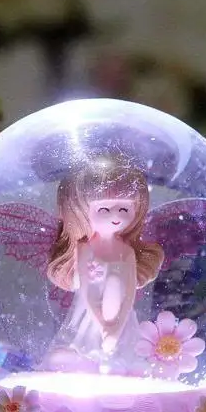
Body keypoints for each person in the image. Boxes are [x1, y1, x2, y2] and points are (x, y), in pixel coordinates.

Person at [44, 156, 164, 372]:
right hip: (90, 314)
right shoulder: (85, 249)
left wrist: (116, 327)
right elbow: (88, 292)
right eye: (104, 210)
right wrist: (103, 325)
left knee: (125, 357)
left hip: (120, 317)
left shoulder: (126, 251)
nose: (116, 216)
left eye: (124, 209)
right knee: (69, 356)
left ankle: (116, 361)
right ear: (80, 212)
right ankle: (89, 360)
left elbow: (129, 293)